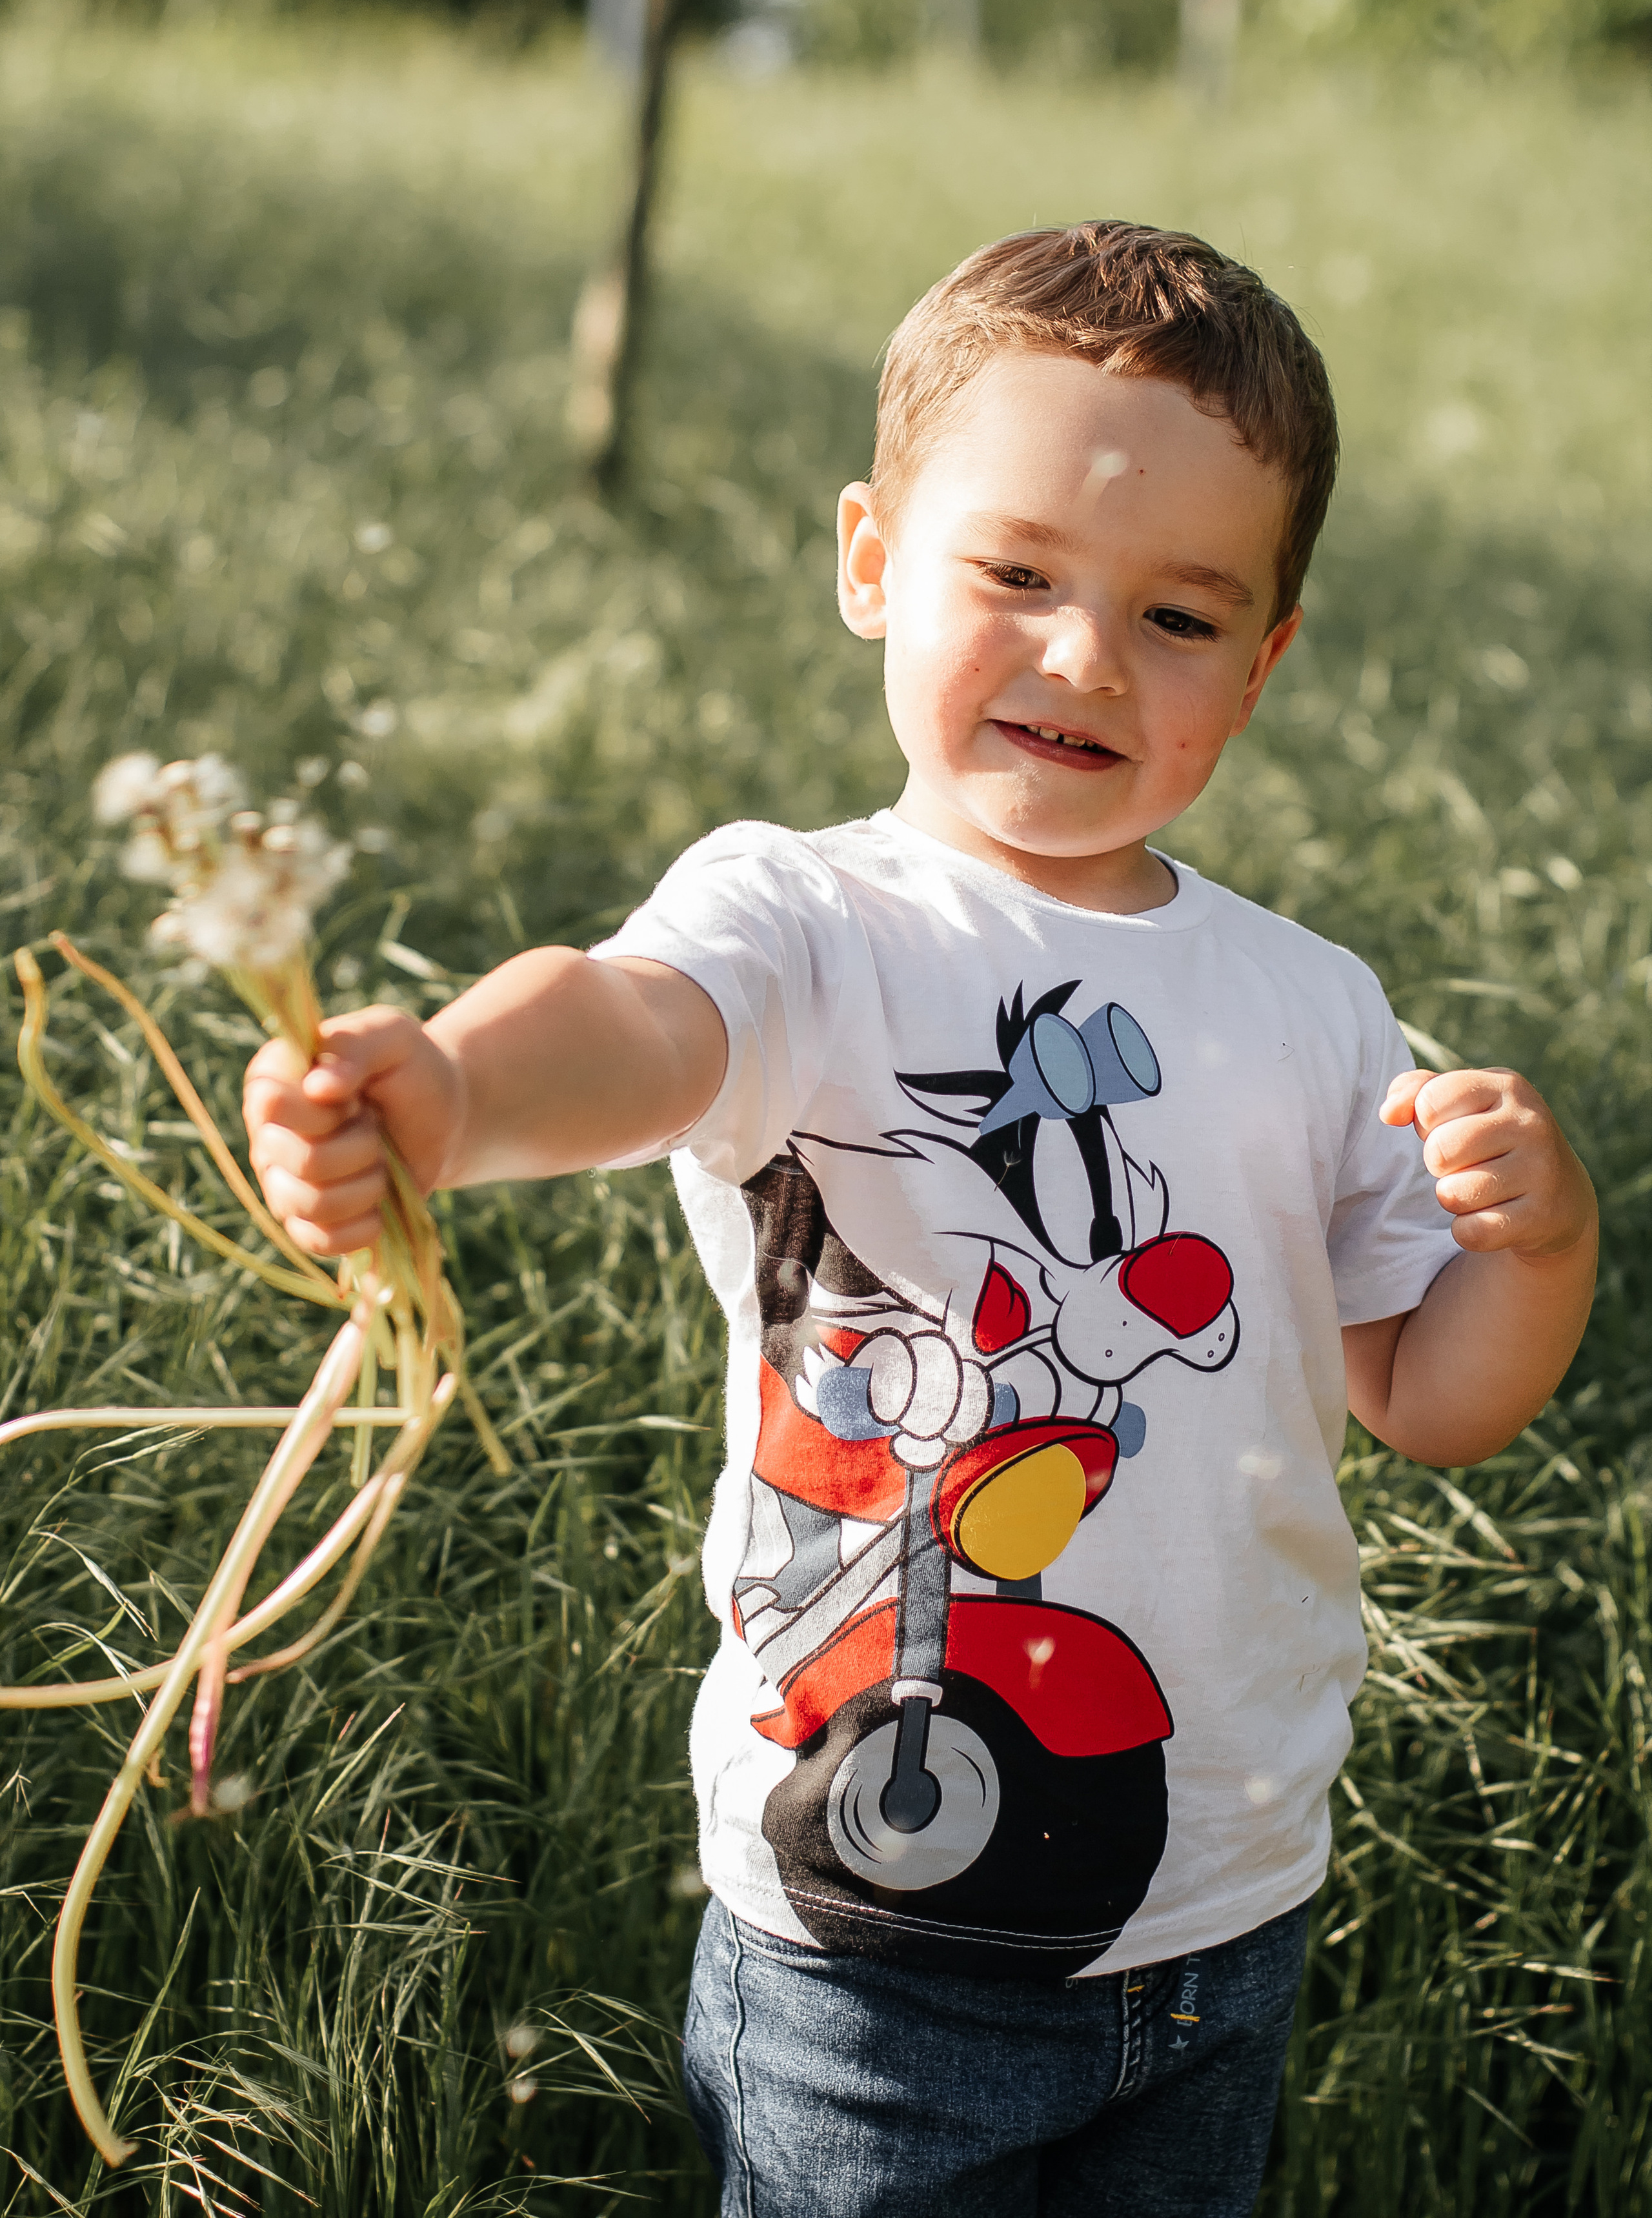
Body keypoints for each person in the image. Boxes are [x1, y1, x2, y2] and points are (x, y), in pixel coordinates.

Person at [245, 224, 1597, 2217]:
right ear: (873, 559)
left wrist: (1539, 1251)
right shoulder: (810, 919)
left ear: (1265, 664)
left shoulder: (1313, 1003)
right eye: (1018, 575)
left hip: (1227, 1908)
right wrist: (450, 1088)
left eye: (1179, 616)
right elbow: (631, 1022)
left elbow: (1428, 1395)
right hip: (867, 1952)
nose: (1087, 657)